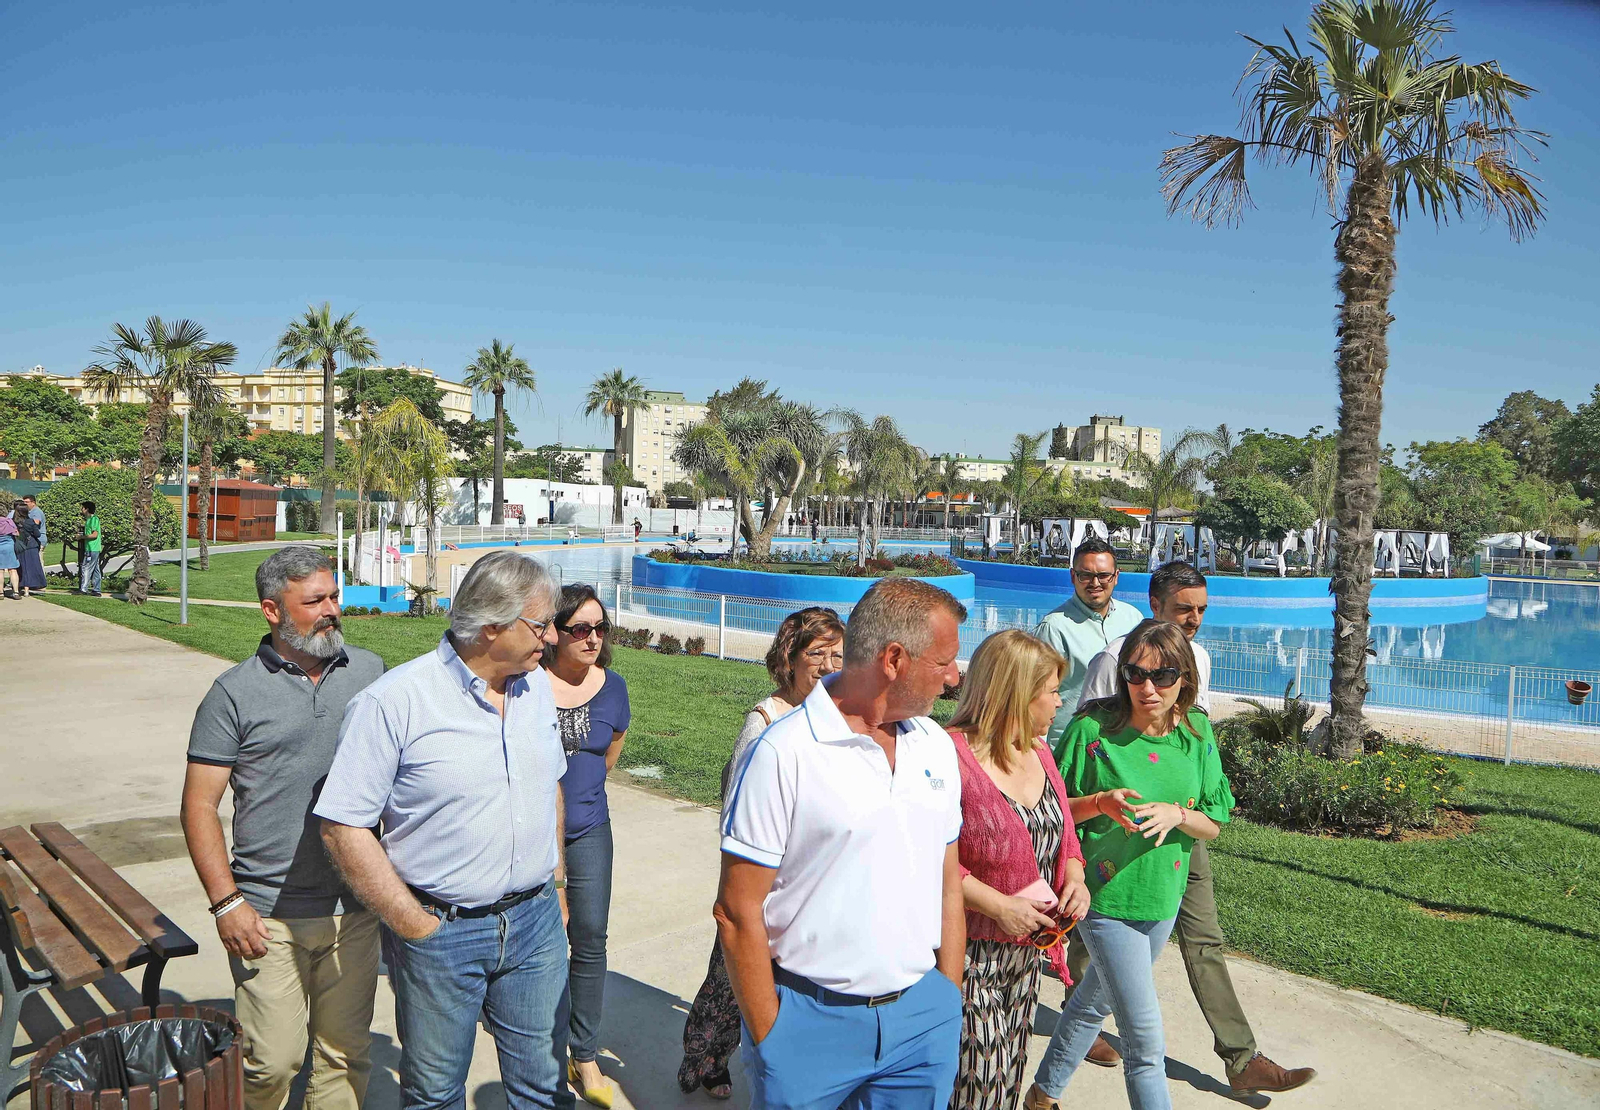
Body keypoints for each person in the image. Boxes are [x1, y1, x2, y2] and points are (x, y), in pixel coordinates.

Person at [315, 551, 575, 1110]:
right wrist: (414, 924)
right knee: (435, 1094)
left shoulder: (535, 691)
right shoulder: (395, 702)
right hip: (442, 933)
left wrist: (556, 884)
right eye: (540, 625)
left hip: (536, 924)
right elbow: (342, 825)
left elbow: (549, 783)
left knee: (545, 1086)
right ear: (490, 627)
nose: (553, 637)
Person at [717, 578, 967, 1109]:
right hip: (807, 1025)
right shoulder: (784, 752)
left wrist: (947, 998)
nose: (953, 677)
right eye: (943, 661)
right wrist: (773, 1038)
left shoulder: (937, 747)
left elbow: (948, 882)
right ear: (893, 659)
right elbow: (737, 910)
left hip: (922, 1022)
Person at [1072, 563, 1314, 1094]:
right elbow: (1089, 732)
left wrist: (1189, 814)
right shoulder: (1112, 661)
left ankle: (1240, 1054)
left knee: (1203, 936)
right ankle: (1083, 1022)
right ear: (1156, 606)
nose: (1196, 619)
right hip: (1117, 835)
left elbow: (1197, 738)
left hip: (1183, 832)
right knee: (1098, 938)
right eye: (1185, 608)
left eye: (1202, 609)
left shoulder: (1198, 657)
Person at [181, 547, 386, 1110]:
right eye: (314, 600)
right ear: (272, 610)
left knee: (346, 1056)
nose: (331, 610)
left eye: (333, 596)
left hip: (356, 909)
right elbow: (200, 806)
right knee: (270, 1063)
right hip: (267, 915)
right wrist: (226, 904)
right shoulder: (233, 693)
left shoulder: (370, 673)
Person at [1024, 620, 1234, 1110]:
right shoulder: (1092, 729)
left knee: (1093, 1001)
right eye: (1135, 674)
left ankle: (1042, 1094)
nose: (1147, 688)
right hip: (1104, 899)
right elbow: (1050, 809)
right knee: (1144, 1042)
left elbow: (1214, 823)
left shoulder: (1197, 732)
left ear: (1185, 677)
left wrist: (1179, 814)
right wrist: (1099, 804)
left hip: (1163, 896)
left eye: (1162, 676)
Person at [678, 606, 847, 1101]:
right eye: (817, 653)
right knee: (728, 985)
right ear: (789, 658)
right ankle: (703, 1058)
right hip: (766, 886)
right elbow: (736, 812)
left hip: (815, 885)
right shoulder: (765, 721)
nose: (829, 663)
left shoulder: (838, 716)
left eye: (838, 653)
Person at [945, 630, 1089, 1110]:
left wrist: (1076, 878)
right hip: (965, 954)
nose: (1058, 700)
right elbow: (925, 856)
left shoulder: (1041, 751)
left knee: (1005, 1082)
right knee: (977, 1088)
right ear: (1016, 692)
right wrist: (998, 905)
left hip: (1025, 957)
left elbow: (1065, 834)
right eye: (1050, 690)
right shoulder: (950, 757)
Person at [544, 584, 632, 1108]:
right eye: (580, 628)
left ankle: (584, 1051)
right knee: (545, 938)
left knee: (591, 936)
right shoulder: (528, 684)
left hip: (591, 829)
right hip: (531, 835)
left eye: (600, 628)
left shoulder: (614, 687)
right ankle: (537, 1034)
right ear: (554, 632)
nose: (593, 638)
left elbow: (608, 755)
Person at [1034, 536, 1141, 744]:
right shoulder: (1054, 628)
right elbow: (1037, 694)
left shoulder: (1133, 619)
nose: (1095, 583)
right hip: (1072, 745)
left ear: (1116, 576)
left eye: (1103, 575)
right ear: (1073, 576)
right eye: (1085, 575)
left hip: (1123, 743)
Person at [13, 501, 44, 597]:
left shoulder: (14, 522)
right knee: (30, 568)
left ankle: (18, 587)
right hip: (31, 546)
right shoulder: (30, 522)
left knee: (21, 567)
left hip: (19, 546)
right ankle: (27, 589)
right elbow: (38, 534)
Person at [22, 495, 47, 594]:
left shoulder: (36, 511)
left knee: (38, 562)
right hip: (32, 540)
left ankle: (40, 584)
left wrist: (27, 523)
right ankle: (33, 583)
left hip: (38, 539)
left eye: (27, 502)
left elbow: (36, 522)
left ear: (33, 502)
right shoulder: (29, 512)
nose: (25, 504)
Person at [78, 500, 103, 596]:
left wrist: (82, 537)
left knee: (86, 567)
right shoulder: (88, 520)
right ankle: (97, 590)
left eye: (82, 508)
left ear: (86, 509)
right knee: (96, 569)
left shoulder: (94, 520)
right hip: (90, 548)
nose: (81, 510)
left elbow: (94, 535)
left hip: (92, 548)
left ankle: (84, 589)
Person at [0, 504, 20, 599]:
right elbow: (16, 533)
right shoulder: (9, 521)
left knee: (0, 571)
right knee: (13, 569)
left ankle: (1, 593)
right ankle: (16, 592)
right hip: (9, 546)